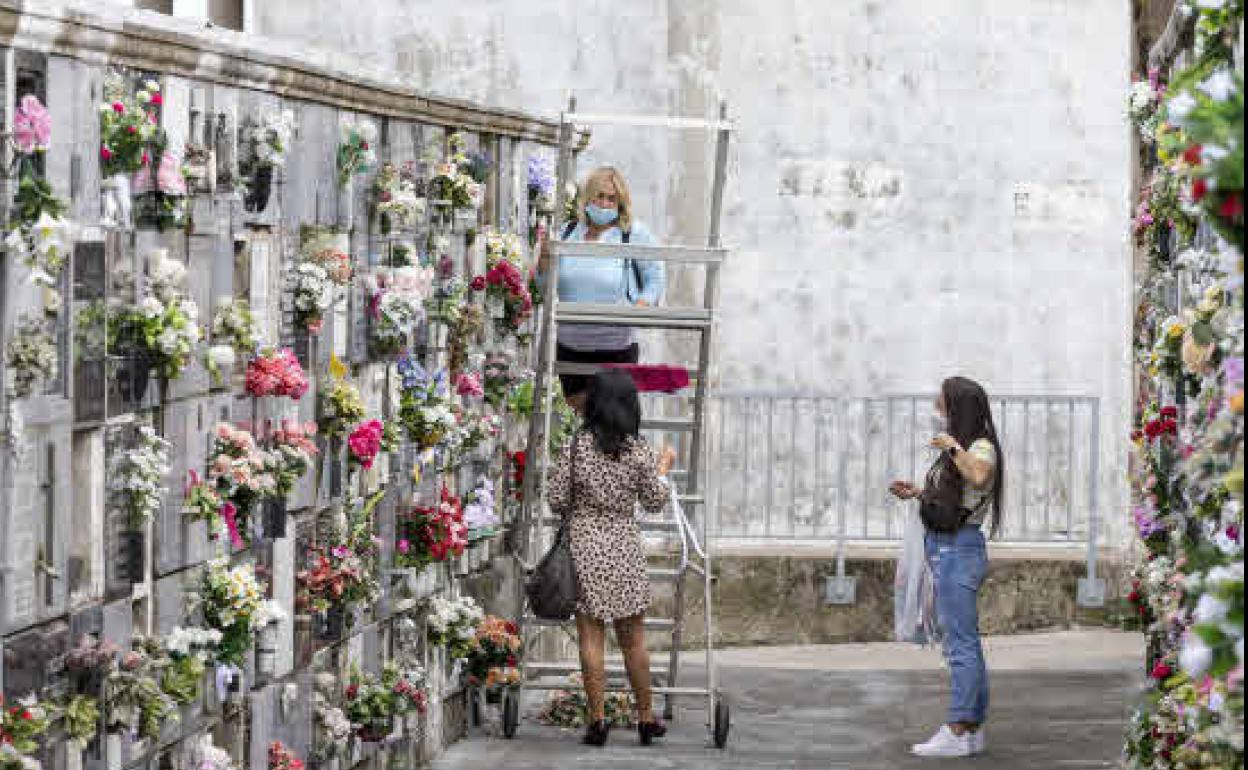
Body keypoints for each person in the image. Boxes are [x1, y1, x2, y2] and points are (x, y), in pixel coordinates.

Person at [546, 369, 677, 747]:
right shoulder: (638, 450)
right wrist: (663, 467)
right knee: (634, 640)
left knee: (591, 639)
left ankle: (597, 722)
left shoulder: (575, 447)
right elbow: (654, 501)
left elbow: (556, 500)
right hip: (623, 545)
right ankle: (647, 719)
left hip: (585, 544)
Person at [888, 376, 1004, 759]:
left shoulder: (979, 445)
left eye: (942, 399)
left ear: (958, 406)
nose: (937, 405)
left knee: (960, 644)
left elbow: (979, 474)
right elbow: (959, 495)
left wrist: (953, 446)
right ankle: (970, 728)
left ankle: (957, 727)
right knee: (963, 641)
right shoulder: (965, 446)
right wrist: (921, 494)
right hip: (949, 546)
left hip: (959, 550)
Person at [538, 166, 666, 413]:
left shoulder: (632, 233)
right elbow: (544, 287)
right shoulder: (567, 232)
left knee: (613, 424)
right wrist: (543, 261)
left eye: (611, 198)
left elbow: (655, 277)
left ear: (620, 202)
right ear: (587, 197)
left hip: (615, 347)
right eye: (599, 196)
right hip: (570, 348)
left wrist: (641, 306)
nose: (604, 204)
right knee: (581, 423)